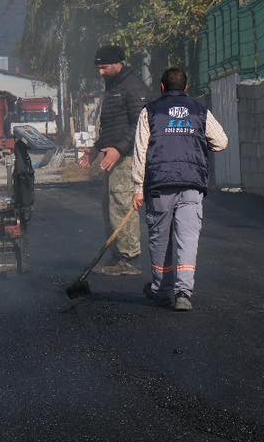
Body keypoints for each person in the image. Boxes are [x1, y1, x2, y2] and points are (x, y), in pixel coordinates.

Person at [130, 66, 229, 312]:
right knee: (188, 238)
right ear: (186, 88)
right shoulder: (200, 111)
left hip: (160, 185)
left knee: (160, 238)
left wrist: (137, 189)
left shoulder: (150, 111)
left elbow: (140, 151)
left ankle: (162, 290)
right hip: (191, 184)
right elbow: (222, 142)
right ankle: (183, 292)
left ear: (162, 88)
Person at [91, 45, 151, 276]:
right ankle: (117, 255)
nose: (100, 73)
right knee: (111, 206)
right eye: (98, 68)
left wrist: (118, 149)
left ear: (118, 63)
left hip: (126, 158)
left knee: (122, 203)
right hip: (114, 156)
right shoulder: (114, 86)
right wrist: (96, 149)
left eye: (104, 67)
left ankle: (129, 258)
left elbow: (141, 124)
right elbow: (112, 125)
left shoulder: (133, 87)